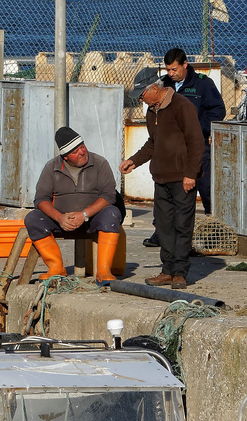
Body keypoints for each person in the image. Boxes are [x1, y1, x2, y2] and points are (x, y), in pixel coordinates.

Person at [119, 68, 203, 290]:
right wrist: (134, 161)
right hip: (161, 177)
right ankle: (167, 270)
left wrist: (190, 174)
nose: (140, 99)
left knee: (182, 225)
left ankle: (180, 273)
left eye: (142, 95)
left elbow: (196, 142)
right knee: (164, 225)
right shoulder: (152, 111)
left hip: (182, 178)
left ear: (154, 89)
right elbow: (152, 144)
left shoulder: (182, 106)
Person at [24, 125, 123, 282]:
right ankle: (56, 267)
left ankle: (103, 271)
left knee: (112, 214)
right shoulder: (52, 167)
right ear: (65, 157)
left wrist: (83, 215)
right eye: (75, 151)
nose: (82, 152)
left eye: (82, 146)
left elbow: (109, 195)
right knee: (33, 218)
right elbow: (41, 199)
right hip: (61, 221)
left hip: (92, 219)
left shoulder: (100, 163)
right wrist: (60, 217)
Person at [163, 48, 225, 218]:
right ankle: (162, 232)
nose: (171, 73)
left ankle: (213, 226)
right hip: (172, 148)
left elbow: (218, 111)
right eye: (168, 70)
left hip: (198, 146)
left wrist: (197, 130)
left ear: (185, 64)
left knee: (206, 188)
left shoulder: (203, 84)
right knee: (168, 190)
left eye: (174, 69)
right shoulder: (164, 84)